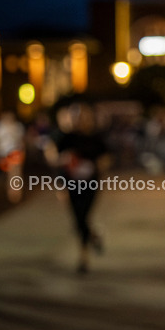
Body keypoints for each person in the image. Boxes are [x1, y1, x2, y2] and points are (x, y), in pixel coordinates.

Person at [50, 103, 110, 274]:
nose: (80, 120)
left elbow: (105, 159)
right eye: (76, 117)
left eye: (83, 117)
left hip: (90, 184)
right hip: (71, 184)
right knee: (78, 219)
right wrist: (63, 161)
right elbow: (54, 158)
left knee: (84, 215)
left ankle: (83, 258)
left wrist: (99, 167)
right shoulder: (66, 138)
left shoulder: (95, 139)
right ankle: (92, 237)